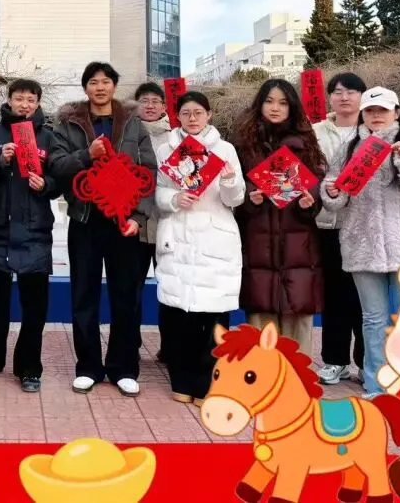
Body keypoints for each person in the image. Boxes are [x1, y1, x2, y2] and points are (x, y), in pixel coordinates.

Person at [320, 87, 400, 399]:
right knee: (372, 319)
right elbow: (334, 192)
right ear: (362, 114)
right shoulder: (349, 148)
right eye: (370, 110)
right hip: (363, 245)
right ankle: (376, 384)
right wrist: (331, 193)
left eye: (383, 110)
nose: (376, 116)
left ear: (396, 113)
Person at [52, 62, 156, 397]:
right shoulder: (68, 123)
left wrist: (138, 218)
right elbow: (57, 165)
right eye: (93, 82)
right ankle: (88, 367)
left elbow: (149, 173)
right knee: (84, 296)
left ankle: (123, 368)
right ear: (86, 88)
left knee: (126, 297)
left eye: (106, 81)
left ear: (114, 86)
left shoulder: (133, 123)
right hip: (85, 220)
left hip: (123, 223)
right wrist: (87, 154)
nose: (100, 87)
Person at [154, 91, 244, 406]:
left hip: (215, 238)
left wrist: (230, 180)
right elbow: (159, 192)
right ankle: (182, 381)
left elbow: (235, 199)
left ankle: (208, 383)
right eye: (186, 113)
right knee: (180, 315)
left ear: (209, 115)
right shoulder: (165, 148)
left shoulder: (225, 149)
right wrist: (173, 199)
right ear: (177, 116)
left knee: (215, 316)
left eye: (198, 112)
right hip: (178, 236)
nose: (192, 118)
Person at [0, 79, 61, 393]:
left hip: (35, 233)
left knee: (34, 310)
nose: (25, 104)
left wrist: (46, 185)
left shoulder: (49, 136)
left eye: (31, 100)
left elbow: (60, 179)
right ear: (9, 100)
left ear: (38, 103)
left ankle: (29, 368)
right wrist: (1, 162)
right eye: (19, 98)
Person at [233, 78, 326, 358]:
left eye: (283, 103)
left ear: (292, 107)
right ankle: (263, 377)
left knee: (297, 317)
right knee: (260, 319)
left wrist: (310, 202)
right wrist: (249, 197)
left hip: (298, 245)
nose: (275, 108)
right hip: (258, 242)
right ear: (259, 104)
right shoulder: (243, 144)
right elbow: (231, 187)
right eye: (269, 101)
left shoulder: (307, 142)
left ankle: (298, 378)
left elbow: (317, 181)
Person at [312, 72, 367, 386]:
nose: (344, 97)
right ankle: (335, 361)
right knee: (333, 295)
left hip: (362, 226)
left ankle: (365, 362)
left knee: (363, 297)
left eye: (351, 91)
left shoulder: (373, 132)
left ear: (362, 97)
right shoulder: (315, 132)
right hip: (327, 224)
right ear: (330, 97)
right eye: (337, 92)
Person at [134, 82, 171, 361]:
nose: (149, 105)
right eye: (144, 100)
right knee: (130, 289)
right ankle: (129, 345)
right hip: (134, 224)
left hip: (168, 224)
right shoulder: (126, 133)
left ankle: (170, 346)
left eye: (155, 101)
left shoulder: (177, 138)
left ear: (164, 106)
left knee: (169, 288)